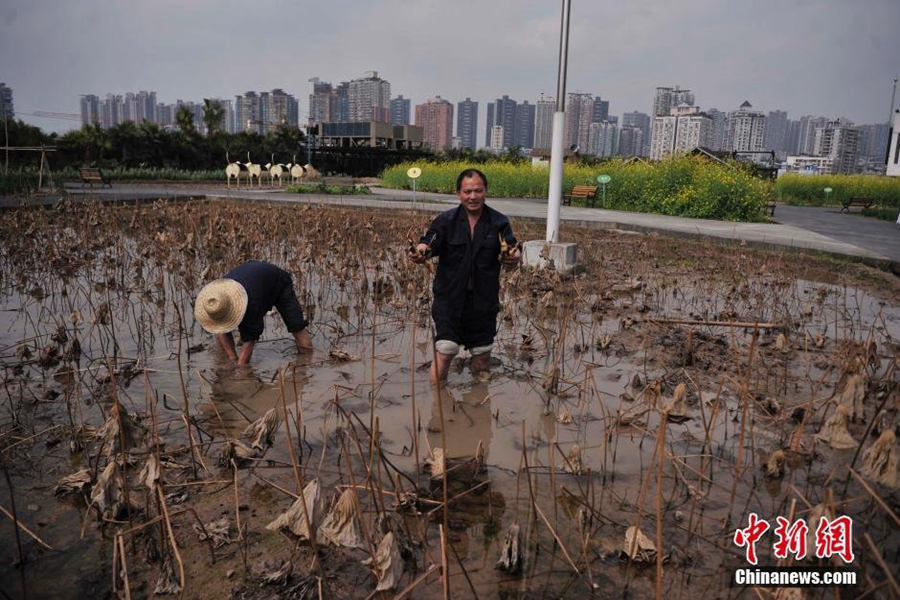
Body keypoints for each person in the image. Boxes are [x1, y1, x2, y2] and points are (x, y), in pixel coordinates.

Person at [410, 168, 521, 381]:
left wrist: (514, 256)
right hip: (449, 299)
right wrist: (421, 251)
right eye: (467, 191)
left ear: (486, 191)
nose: (472, 196)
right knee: (445, 351)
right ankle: (437, 398)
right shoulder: (445, 221)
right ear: (458, 193)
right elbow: (429, 242)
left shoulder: (498, 223)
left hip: (483, 302)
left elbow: (512, 248)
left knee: (482, 357)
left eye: (478, 191)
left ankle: (478, 398)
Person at [194, 260, 312, 365]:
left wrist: (240, 371)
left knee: (297, 326)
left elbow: (249, 341)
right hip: (253, 279)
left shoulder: (251, 304)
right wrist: (233, 358)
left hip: (278, 281)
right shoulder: (217, 297)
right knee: (222, 336)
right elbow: (220, 330)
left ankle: (306, 366)